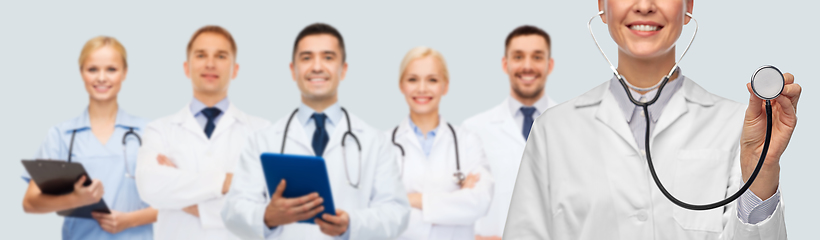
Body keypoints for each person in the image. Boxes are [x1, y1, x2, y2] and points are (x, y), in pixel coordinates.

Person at [504, 0, 800, 239]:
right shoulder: (553, 130)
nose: (644, 5)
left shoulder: (741, 127)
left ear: (688, 8)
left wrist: (760, 174)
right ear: (602, 7)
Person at [222, 23, 410, 239]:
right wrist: (267, 216)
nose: (317, 67)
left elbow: (397, 213)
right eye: (306, 58)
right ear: (293, 71)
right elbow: (232, 212)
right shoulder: (261, 141)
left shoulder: (375, 142)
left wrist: (352, 225)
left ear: (344, 69)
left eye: (328, 57)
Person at [134, 25, 270, 240]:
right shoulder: (159, 130)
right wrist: (227, 181)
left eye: (221, 56)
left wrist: (181, 198)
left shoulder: (262, 131)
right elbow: (149, 185)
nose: (210, 63)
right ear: (187, 67)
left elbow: (265, 204)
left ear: (235, 69)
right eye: (201, 55)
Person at [21, 36, 156, 240]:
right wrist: (74, 199)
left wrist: (130, 220)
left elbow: (176, 203)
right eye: (92, 69)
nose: (101, 78)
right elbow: (30, 203)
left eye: (111, 69)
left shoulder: (149, 132)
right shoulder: (61, 136)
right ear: (82, 73)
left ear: (125, 73)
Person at [460, 25, 558, 240]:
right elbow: (461, 205)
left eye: (537, 57)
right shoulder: (473, 130)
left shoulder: (572, 126)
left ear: (549, 65)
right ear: (505, 64)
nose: (527, 66)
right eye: (518, 56)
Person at [390, 47, 493, 240]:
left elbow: (480, 202)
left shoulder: (468, 141)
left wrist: (412, 199)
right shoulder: (383, 145)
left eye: (432, 80)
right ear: (401, 85)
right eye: (413, 79)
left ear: (445, 86)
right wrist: (457, 204)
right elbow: (381, 213)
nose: (422, 88)